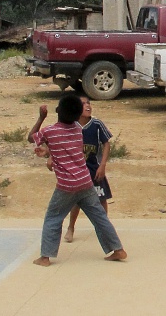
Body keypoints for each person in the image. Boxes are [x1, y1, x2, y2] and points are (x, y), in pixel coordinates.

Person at [29, 94, 126, 266]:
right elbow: (64, 148)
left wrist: (41, 117)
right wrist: (48, 152)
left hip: (66, 185)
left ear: (58, 111)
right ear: (76, 115)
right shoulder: (77, 129)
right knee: (99, 217)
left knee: (53, 217)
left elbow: (32, 137)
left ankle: (45, 257)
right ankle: (117, 249)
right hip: (85, 181)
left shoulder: (50, 131)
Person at [63, 95, 113, 243]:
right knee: (77, 201)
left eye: (88, 103)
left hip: (94, 169)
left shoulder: (96, 124)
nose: (87, 106)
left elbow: (107, 143)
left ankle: (104, 228)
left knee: (101, 198)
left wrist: (103, 165)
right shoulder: (71, 125)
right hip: (78, 171)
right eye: (83, 104)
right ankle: (71, 227)